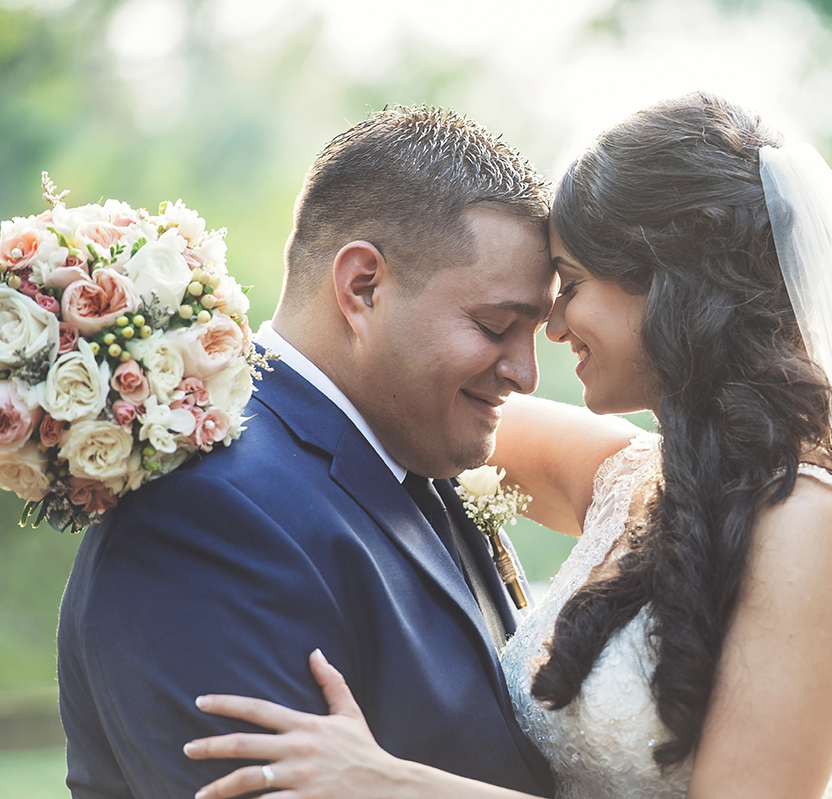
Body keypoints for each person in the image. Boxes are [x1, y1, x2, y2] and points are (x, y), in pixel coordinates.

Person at [183, 92, 832, 798]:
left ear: (669, 287)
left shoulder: (801, 519)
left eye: (571, 286)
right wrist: (159, 380)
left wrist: (395, 784)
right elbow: (380, 399)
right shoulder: (631, 477)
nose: (548, 330)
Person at [55, 106, 634, 798]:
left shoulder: (414, 446)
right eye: (495, 326)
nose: (525, 373)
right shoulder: (202, 515)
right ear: (363, 286)